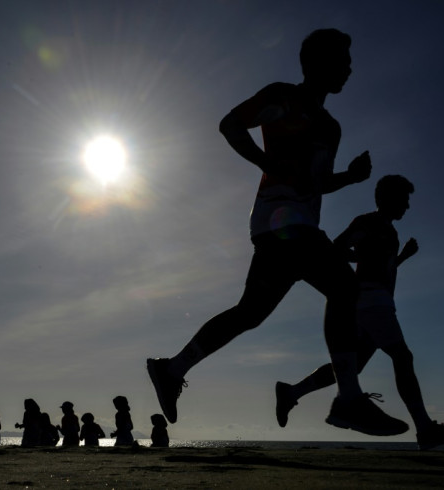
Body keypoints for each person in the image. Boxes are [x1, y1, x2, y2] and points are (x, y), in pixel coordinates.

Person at [147, 28, 406, 436]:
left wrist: (351, 178)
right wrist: (267, 161)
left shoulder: (331, 127)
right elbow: (230, 124)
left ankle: (172, 368)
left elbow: (315, 182)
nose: (350, 68)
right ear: (319, 63)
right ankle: (349, 400)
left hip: (296, 227)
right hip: (280, 221)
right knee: (344, 287)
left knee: (250, 313)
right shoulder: (284, 96)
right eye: (343, 60)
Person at [275, 175, 444, 450]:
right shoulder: (368, 222)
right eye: (404, 200)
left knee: (353, 367)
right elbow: (337, 249)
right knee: (403, 356)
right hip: (370, 303)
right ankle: (425, 428)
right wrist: (361, 259)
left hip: (376, 304)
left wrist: (402, 258)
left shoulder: (390, 231)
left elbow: (379, 265)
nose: (407, 207)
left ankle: (291, 392)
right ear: (388, 198)